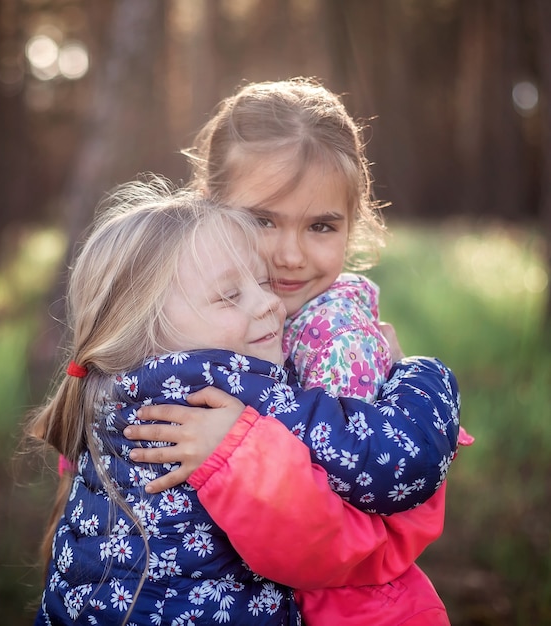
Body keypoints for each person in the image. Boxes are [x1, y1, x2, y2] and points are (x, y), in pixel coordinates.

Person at [29, 176, 460, 625]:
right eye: (230, 296)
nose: (268, 305)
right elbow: (396, 461)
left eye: (261, 282)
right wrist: (420, 373)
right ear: (147, 330)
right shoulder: (223, 394)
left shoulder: (104, 393)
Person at [123, 78, 473, 625]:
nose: (289, 255)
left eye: (321, 226)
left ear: (353, 225)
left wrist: (236, 450)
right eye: (262, 220)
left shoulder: (339, 346)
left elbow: (373, 528)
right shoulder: (175, 311)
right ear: (208, 206)